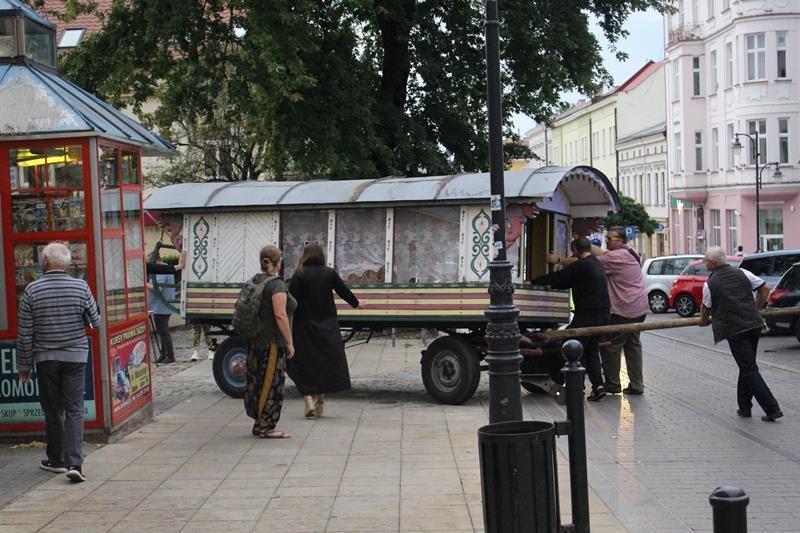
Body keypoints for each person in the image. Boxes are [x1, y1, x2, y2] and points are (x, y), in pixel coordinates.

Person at [16, 242, 100, 483]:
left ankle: (56, 460)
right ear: (67, 264)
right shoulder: (81, 286)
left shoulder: (32, 290)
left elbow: (25, 333)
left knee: (53, 409)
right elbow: (95, 321)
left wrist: (24, 367)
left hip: (46, 358)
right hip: (75, 357)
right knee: (74, 409)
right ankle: (75, 463)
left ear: (44, 262)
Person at [698, 246, 783, 421]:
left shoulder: (710, 284)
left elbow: (706, 308)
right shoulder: (743, 272)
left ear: (713, 263)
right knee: (747, 365)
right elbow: (765, 289)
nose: (704, 262)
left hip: (734, 329)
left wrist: (703, 321)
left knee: (749, 368)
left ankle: (772, 408)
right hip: (754, 325)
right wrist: (755, 309)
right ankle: (744, 407)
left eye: (706, 260)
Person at [288, 242, 360, 417]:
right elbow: (343, 291)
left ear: (304, 255)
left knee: (303, 362)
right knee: (326, 362)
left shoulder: (299, 274)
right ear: (321, 255)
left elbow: (290, 298)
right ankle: (320, 400)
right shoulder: (329, 273)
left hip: (304, 325)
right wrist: (357, 304)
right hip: (327, 324)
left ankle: (308, 400)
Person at [538, 238, 610, 401]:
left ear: (576, 250)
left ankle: (577, 387)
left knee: (575, 348)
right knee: (592, 350)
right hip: (603, 314)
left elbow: (560, 277)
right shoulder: (596, 263)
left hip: (588, 315)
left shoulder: (581, 265)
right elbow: (569, 281)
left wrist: (535, 281)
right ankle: (598, 386)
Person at [244, 245, 297, 438]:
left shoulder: (255, 280)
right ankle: (266, 426)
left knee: (257, 381)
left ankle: (259, 422)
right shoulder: (276, 285)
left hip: (255, 340)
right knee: (271, 382)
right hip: (272, 342)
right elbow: (280, 315)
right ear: (278, 262)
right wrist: (289, 342)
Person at [593, 227, 649, 395]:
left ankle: (612, 384)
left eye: (609, 239)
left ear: (620, 241)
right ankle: (637, 385)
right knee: (633, 345)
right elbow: (602, 253)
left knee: (610, 346)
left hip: (623, 309)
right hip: (639, 307)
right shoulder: (630, 251)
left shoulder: (614, 257)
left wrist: (559, 259)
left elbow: (591, 260)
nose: (606, 241)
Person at [147, 252, 177, 364]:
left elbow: (158, 289)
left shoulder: (161, 270)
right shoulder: (165, 268)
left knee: (163, 332)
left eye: (149, 261)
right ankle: (163, 354)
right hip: (161, 306)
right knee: (162, 331)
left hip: (161, 306)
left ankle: (170, 356)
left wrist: (145, 284)